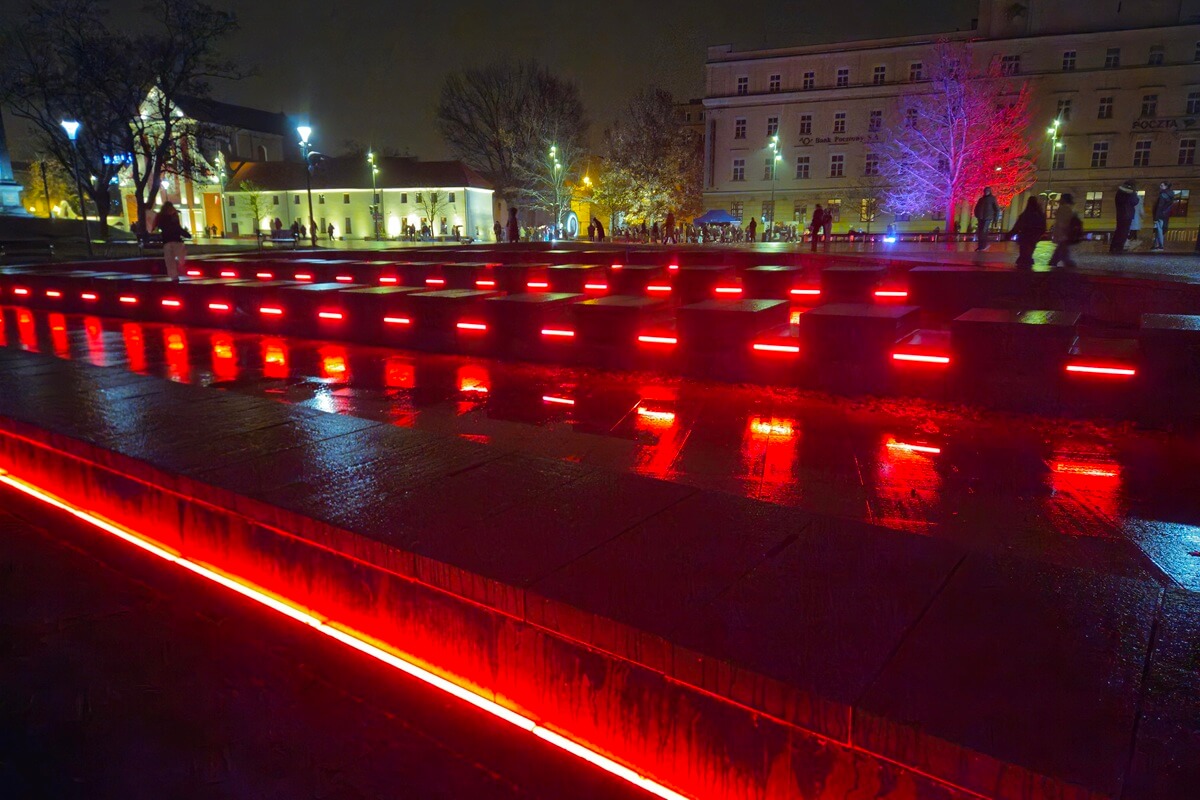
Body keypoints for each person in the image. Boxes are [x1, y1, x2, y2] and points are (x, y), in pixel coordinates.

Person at [152, 201, 189, 281]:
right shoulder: (173, 216)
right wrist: (187, 234)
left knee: (170, 261)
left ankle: (174, 277)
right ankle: (181, 269)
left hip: (167, 241)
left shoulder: (160, 217)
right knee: (181, 258)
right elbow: (178, 228)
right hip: (176, 241)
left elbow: (155, 226)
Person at [1008, 196, 1046, 269]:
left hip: (1025, 236)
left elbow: (1018, 226)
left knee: (1024, 254)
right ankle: (1027, 269)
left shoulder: (1025, 214)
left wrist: (1011, 234)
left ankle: (1022, 271)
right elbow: (1043, 227)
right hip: (1034, 237)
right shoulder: (1040, 215)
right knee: (1029, 253)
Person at [1048, 192, 1081, 269]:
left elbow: (1062, 223)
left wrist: (1060, 233)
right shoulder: (1068, 209)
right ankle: (1065, 267)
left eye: (1061, 199)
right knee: (1061, 255)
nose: (1060, 200)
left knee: (1062, 256)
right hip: (1063, 236)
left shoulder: (1064, 209)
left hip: (1062, 236)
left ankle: (1070, 270)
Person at [1111, 181, 1137, 253]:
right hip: (1128, 215)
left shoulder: (1119, 192)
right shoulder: (1130, 193)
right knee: (1124, 232)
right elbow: (1135, 201)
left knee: (1119, 231)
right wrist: (1134, 194)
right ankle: (1119, 247)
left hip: (1120, 214)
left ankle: (1114, 247)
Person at [1151, 181, 1175, 251]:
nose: (1160, 187)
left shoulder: (1162, 195)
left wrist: (1156, 217)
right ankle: (1156, 244)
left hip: (1160, 214)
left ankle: (1160, 246)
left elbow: (1159, 207)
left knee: (1159, 230)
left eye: (1162, 185)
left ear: (1166, 186)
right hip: (1166, 214)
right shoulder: (1171, 195)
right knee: (1159, 229)